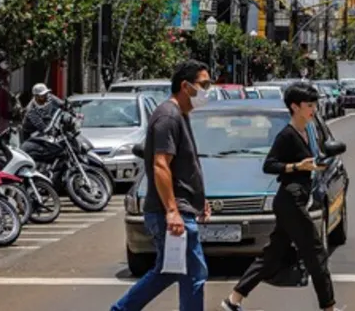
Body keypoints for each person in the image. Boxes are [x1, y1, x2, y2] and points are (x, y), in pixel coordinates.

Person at [224, 82, 338, 311]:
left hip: (296, 199)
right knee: (316, 253)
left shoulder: (309, 131)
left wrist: (315, 166)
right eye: (309, 105)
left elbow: (309, 163)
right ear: (295, 107)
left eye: (314, 104)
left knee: (272, 255)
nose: (313, 109)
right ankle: (329, 307)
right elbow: (270, 165)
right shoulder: (286, 135)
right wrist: (297, 167)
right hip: (290, 201)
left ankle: (233, 299)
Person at [111, 60, 213, 311]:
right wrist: (172, 211)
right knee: (194, 274)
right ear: (185, 86)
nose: (208, 90)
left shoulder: (180, 114)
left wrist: (199, 201)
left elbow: (183, 167)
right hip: (170, 212)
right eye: (204, 84)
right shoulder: (168, 116)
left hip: (181, 208)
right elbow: (160, 165)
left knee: (170, 271)